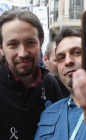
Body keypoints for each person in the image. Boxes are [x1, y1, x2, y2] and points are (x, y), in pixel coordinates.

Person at [0, 8, 62, 140]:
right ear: (1, 49)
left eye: (30, 43)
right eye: (13, 44)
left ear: (41, 44)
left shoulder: (50, 84)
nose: (22, 53)